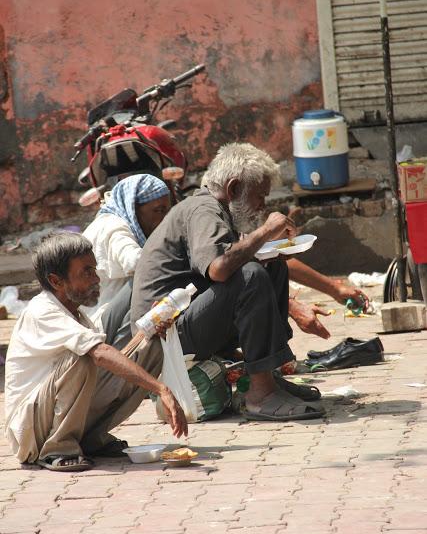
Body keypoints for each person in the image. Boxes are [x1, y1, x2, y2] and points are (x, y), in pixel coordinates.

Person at [130, 142, 326, 422]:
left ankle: (266, 376)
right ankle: (260, 396)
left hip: (185, 324)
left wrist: (265, 248)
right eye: (259, 196)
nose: (261, 205)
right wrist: (266, 230)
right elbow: (220, 270)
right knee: (249, 276)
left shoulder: (211, 209)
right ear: (233, 188)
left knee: (272, 268)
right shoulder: (203, 209)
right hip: (164, 338)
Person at [4, 232, 187, 472]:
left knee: (151, 348)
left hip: (52, 414)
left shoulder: (76, 314)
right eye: (86, 272)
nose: (96, 279)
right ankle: (57, 448)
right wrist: (161, 389)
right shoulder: (41, 311)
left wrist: (152, 327)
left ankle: (89, 439)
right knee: (83, 357)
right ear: (56, 281)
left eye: (94, 270)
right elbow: (99, 353)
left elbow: (117, 354)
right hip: (30, 431)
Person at [82, 173, 171, 328]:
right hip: (99, 323)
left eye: (166, 211)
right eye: (158, 210)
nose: (164, 219)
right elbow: (134, 262)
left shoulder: (109, 222)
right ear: (133, 208)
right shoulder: (114, 227)